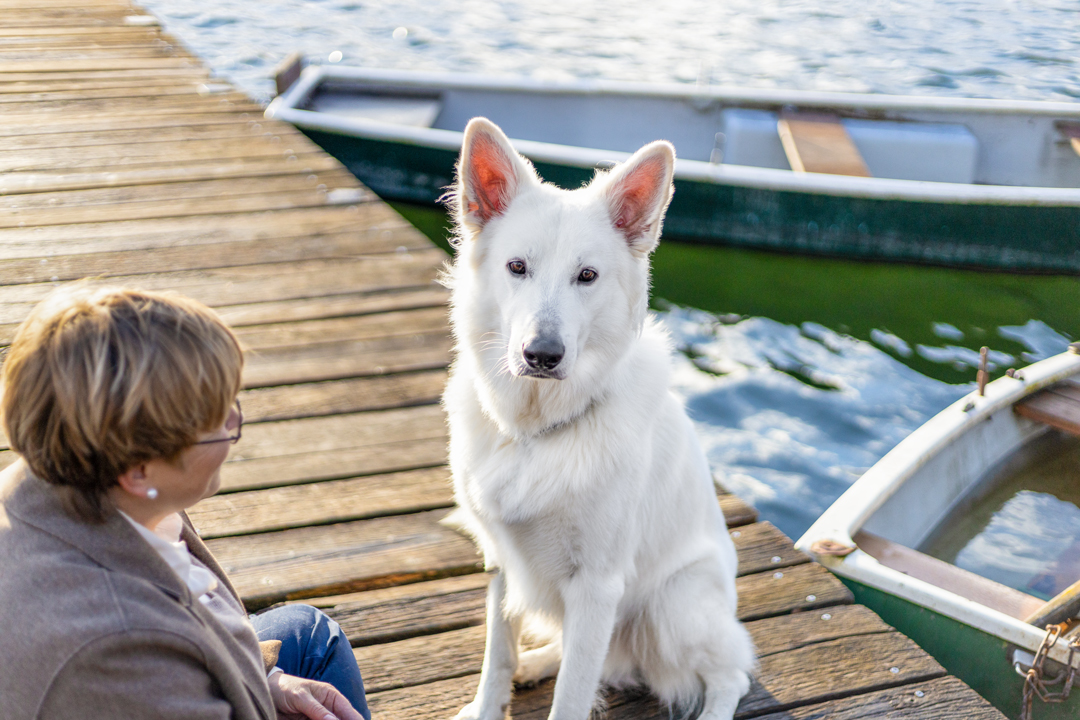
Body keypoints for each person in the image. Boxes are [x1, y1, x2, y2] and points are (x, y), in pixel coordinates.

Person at [0, 286, 371, 720]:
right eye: (217, 423)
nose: (234, 424)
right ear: (139, 470)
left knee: (304, 632)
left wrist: (265, 681)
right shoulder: (118, 650)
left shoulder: (58, 477)